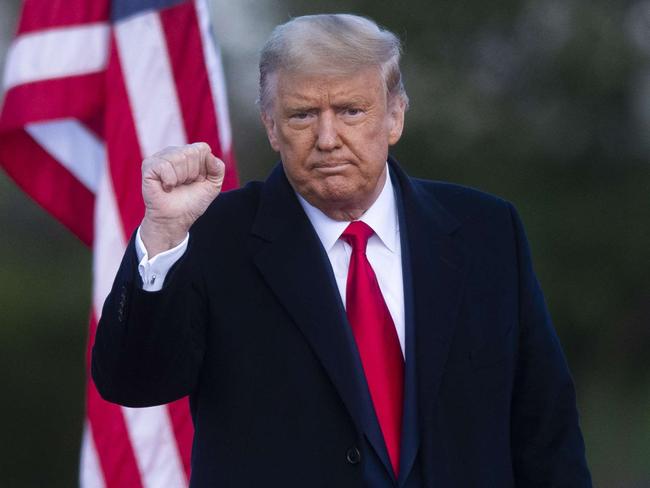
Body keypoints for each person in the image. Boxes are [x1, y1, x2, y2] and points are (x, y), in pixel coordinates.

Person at [92, 13, 592, 487]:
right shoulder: (212, 235)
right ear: (270, 126)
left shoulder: (486, 230)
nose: (327, 138)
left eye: (351, 111)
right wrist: (161, 234)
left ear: (394, 116)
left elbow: (545, 430)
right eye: (302, 114)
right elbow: (134, 383)